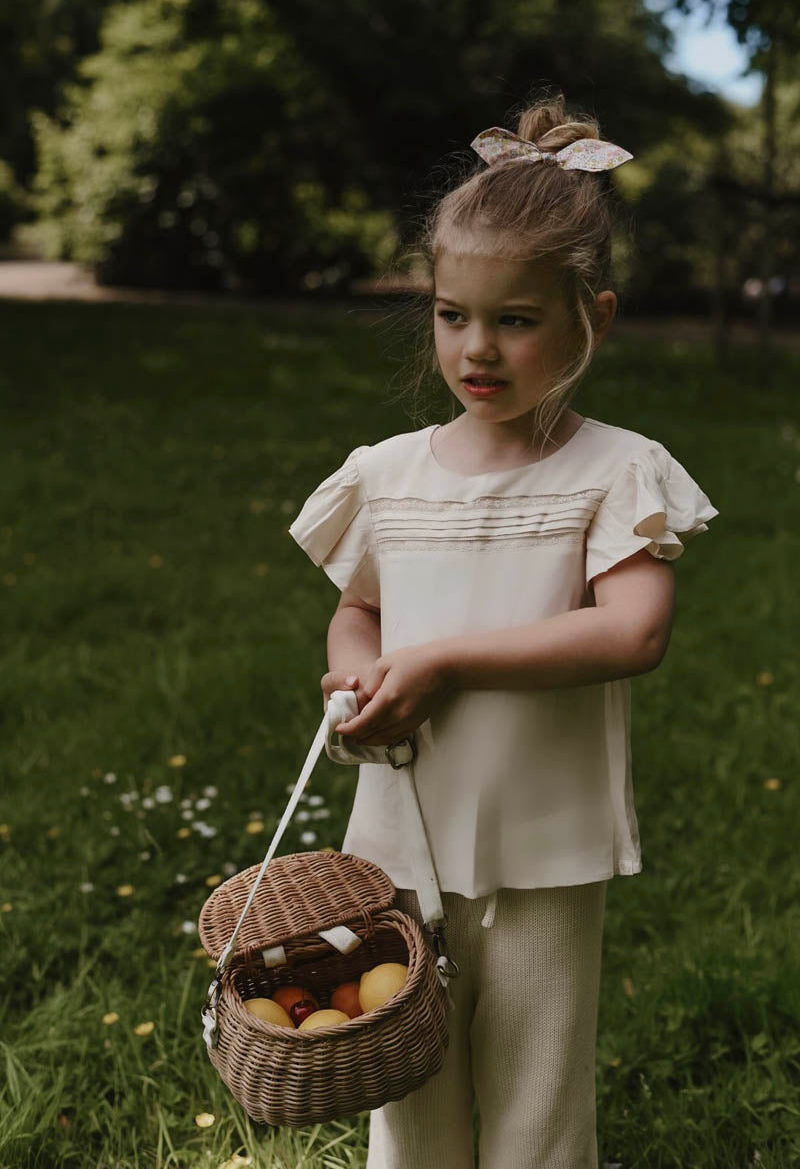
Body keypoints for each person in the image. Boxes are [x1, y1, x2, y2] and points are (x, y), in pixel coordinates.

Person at [287, 90, 719, 1169]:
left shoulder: (614, 471)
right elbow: (359, 613)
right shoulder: (388, 476)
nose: (476, 350)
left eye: (515, 321)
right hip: (400, 844)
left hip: (543, 842)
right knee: (407, 1087)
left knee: (534, 1100)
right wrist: (354, 684)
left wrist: (444, 660)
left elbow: (630, 633)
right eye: (451, 315)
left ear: (593, 317)